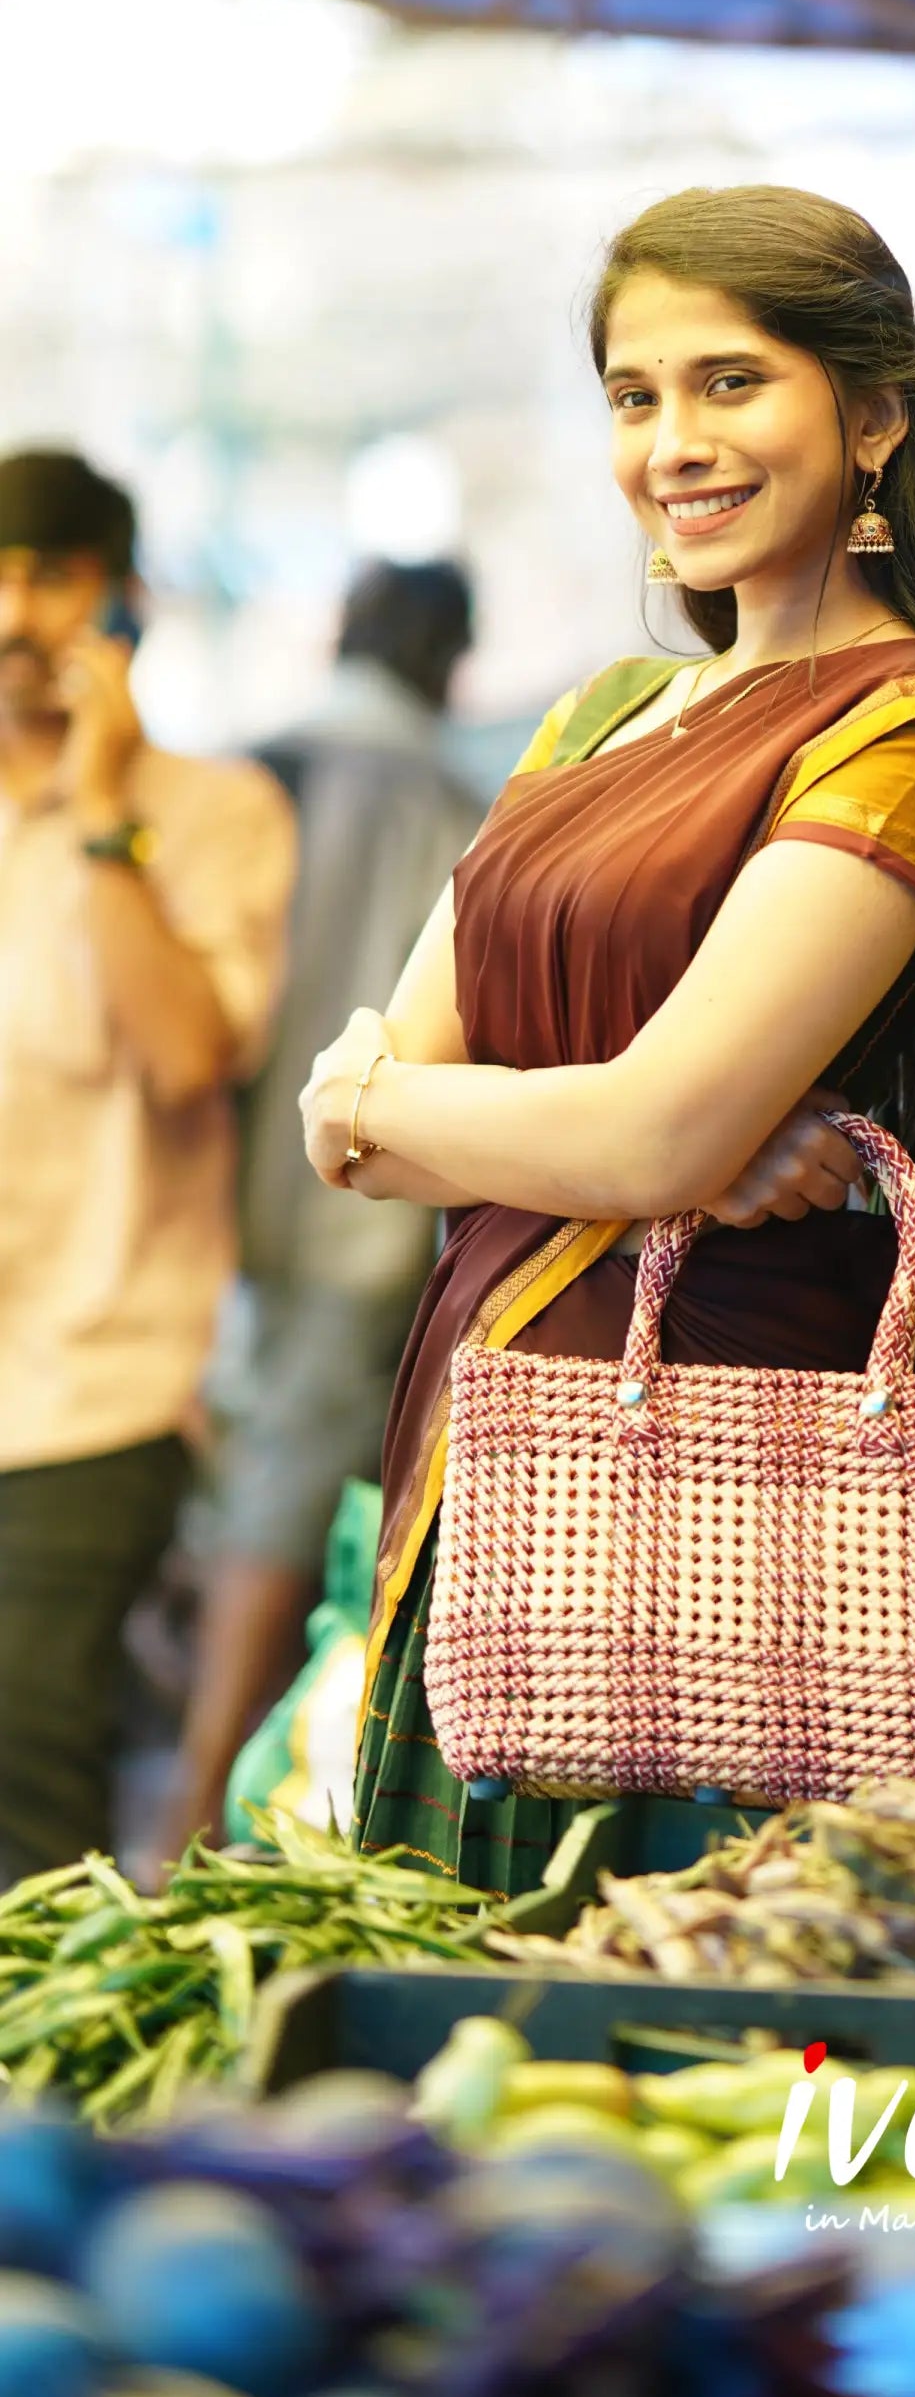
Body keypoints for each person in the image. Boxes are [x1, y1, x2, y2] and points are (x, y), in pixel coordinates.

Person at [299, 183, 915, 1881]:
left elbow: (586, 1131)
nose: (673, 441)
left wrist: (465, 1109)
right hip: (503, 1480)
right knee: (471, 2094)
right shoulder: (599, 719)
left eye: (730, 383)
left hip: (727, 1527)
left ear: (875, 413)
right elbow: (351, 1124)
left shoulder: (910, 725)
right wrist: (587, 1119)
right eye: (635, 395)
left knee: (684, 2062)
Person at [0, 448, 294, 1881]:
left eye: (47, 576)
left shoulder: (211, 813)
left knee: (28, 1763)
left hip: (90, 1383)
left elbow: (186, 1055)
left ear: (122, 602)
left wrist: (103, 810)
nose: (12, 616)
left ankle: (38, 2102)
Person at [160, 559, 482, 1850]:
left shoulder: (247, 772)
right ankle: (196, 1825)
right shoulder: (451, 799)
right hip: (359, 1207)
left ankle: (209, 1805)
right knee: (291, 1512)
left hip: (197, 1201)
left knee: (243, 1492)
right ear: (446, 660)